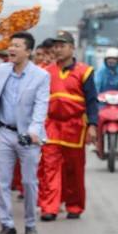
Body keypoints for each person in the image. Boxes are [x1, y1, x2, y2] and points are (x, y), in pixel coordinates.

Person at [0, 32, 50, 234]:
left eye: (17, 46)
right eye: (11, 45)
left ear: (28, 51)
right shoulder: (2, 70)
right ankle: (6, 224)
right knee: (2, 182)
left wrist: (34, 130)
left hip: (28, 136)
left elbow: (41, 106)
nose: (11, 49)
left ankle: (30, 223)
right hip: (4, 132)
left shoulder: (41, 76)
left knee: (29, 182)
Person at [39, 31, 98, 222]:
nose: (58, 50)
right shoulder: (46, 71)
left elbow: (92, 101)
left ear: (72, 48)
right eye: (56, 46)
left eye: (62, 46)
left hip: (75, 126)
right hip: (52, 125)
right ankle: (50, 207)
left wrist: (92, 125)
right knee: (50, 167)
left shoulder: (84, 71)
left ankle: (74, 205)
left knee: (74, 169)